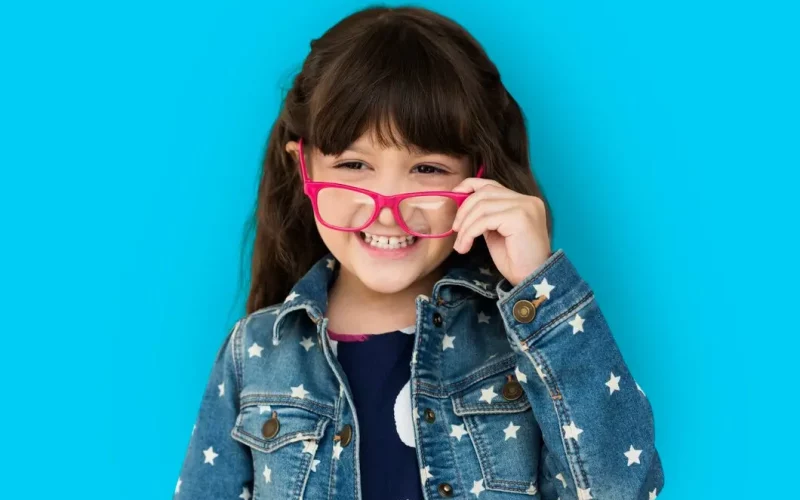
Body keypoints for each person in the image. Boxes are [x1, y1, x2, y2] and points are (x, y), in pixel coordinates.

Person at [174, 6, 664, 500]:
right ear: (303, 169)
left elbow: (622, 487)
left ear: (479, 175)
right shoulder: (255, 354)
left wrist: (541, 288)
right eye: (353, 163)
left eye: (427, 169)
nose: (388, 211)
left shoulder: (518, 339)